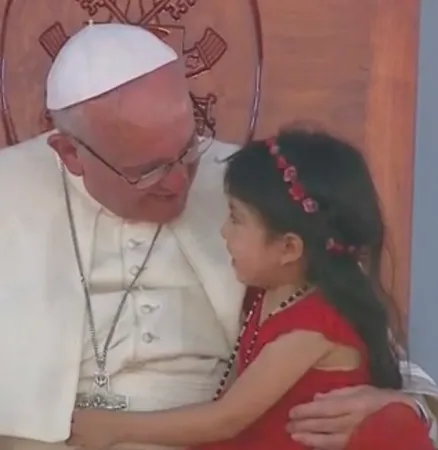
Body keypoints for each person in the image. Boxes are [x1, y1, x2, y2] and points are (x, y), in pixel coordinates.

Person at [0, 22, 436, 450]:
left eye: (188, 150)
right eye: (146, 170)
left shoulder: (257, 188)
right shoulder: (10, 188)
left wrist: (400, 406)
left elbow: (360, 330)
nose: (178, 183)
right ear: (71, 153)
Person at [67, 129, 434, 450]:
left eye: (235, 219)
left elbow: (228, 417)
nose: (223, 231)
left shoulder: (312, 321)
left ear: (289, 248)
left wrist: (113, 429)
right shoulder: (270, 288)